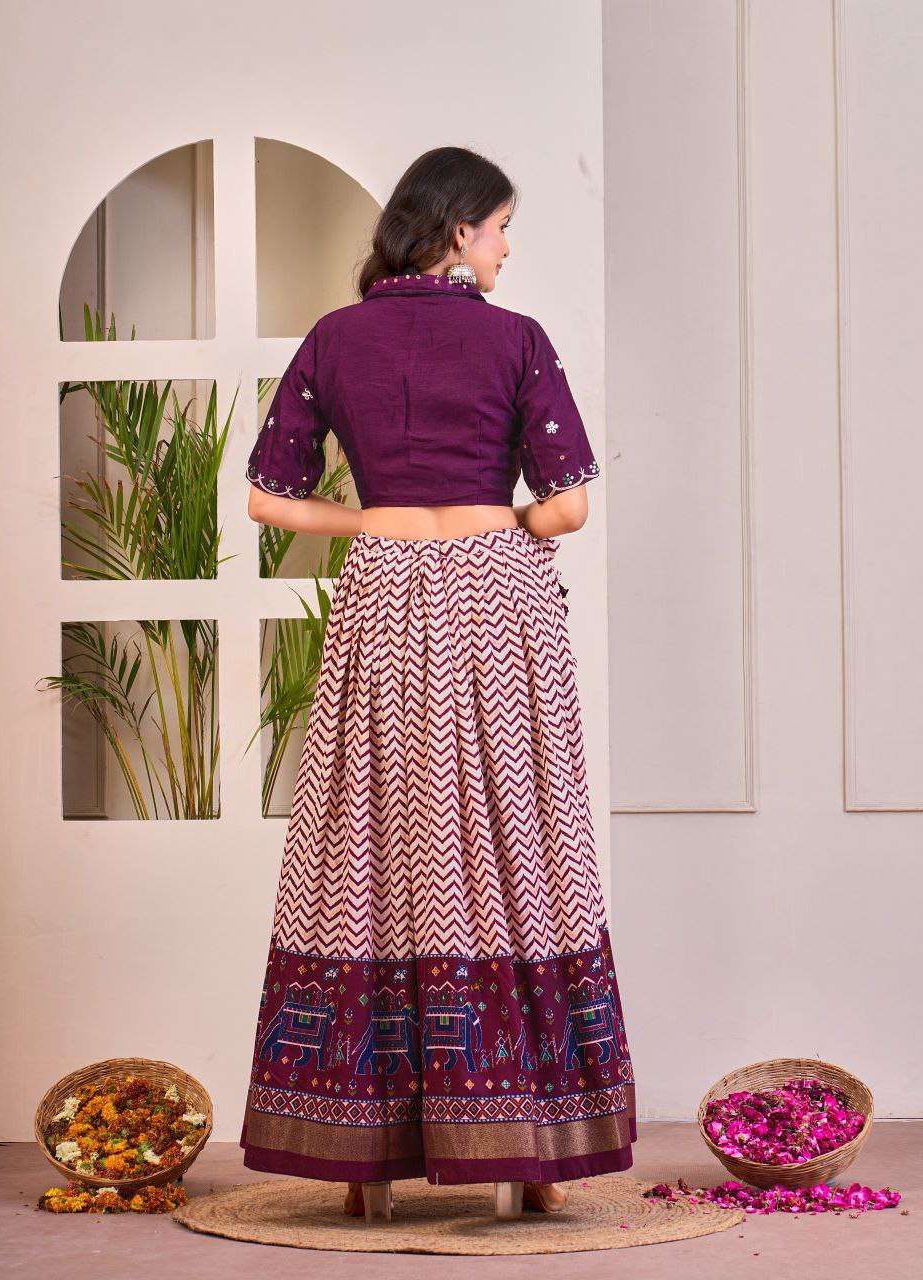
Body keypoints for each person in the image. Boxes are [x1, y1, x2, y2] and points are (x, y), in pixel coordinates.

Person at [239, 146, 636, 1224]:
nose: (508, 246)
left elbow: (268, 499)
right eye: (501, 226)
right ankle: (530, 1146)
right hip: (496, 600)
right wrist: (501, 520)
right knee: (520, 843)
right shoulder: (516, 340)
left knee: (370, 840)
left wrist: (373, 520)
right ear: (459, 230)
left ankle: (365, 1157)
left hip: (382, 594)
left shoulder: (334, 337)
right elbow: (566, 507)